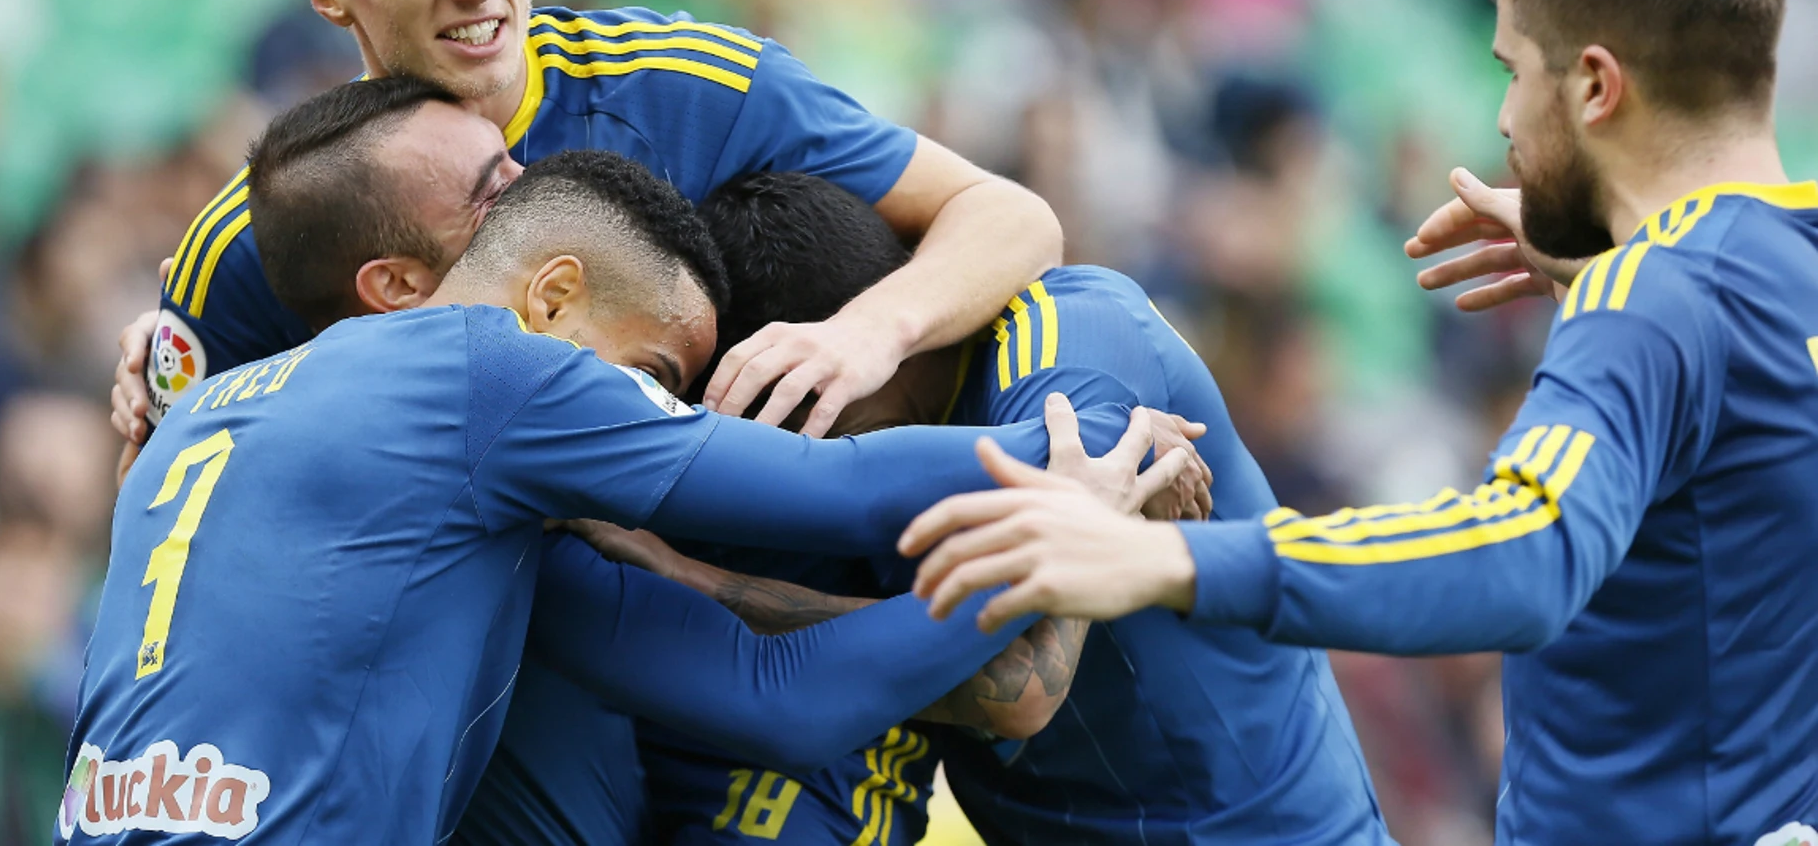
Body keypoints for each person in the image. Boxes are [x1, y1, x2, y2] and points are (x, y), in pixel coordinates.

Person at [900, 0, 1818, 845]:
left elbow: (1524, 551)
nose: (1505, 121)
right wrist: (1615, 251)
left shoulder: (1653, 298)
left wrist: (1161, 556)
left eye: (1515, 73)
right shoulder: (1773, 265)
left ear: (1594, 85)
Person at [60, 78, 1186, 845]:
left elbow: (774, 696)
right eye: (653, 372)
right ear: (548, 292)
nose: (658, 408)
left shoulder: (209, 420)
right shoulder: (482, 371)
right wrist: (1074, 464)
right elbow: (840, 490)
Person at [111, 0, 1059, 442]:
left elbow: (1010, 215)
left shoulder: (689, 86)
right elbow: (159, 497)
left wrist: (865, 332)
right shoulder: (257, 239)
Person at [583, 171, 1390, 846]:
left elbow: (1017, 685)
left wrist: (688, 582)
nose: (796, 455)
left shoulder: (1075, 349)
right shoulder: (837, 485)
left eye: (803, 412)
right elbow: (902, 667)